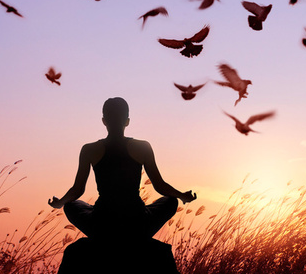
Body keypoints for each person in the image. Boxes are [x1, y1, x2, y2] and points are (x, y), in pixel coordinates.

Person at [48, 97, 196, 240]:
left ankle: (104, 236)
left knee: (71, 206)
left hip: (102, 221)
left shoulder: (89, 149)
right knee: (171, 202)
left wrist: (60, 202)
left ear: (104, 121)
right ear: (127, 121)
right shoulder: (143, 147)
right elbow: (159, 185)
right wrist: (181, 195)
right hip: (137, 220)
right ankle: (137, 235)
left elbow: (77, 190)